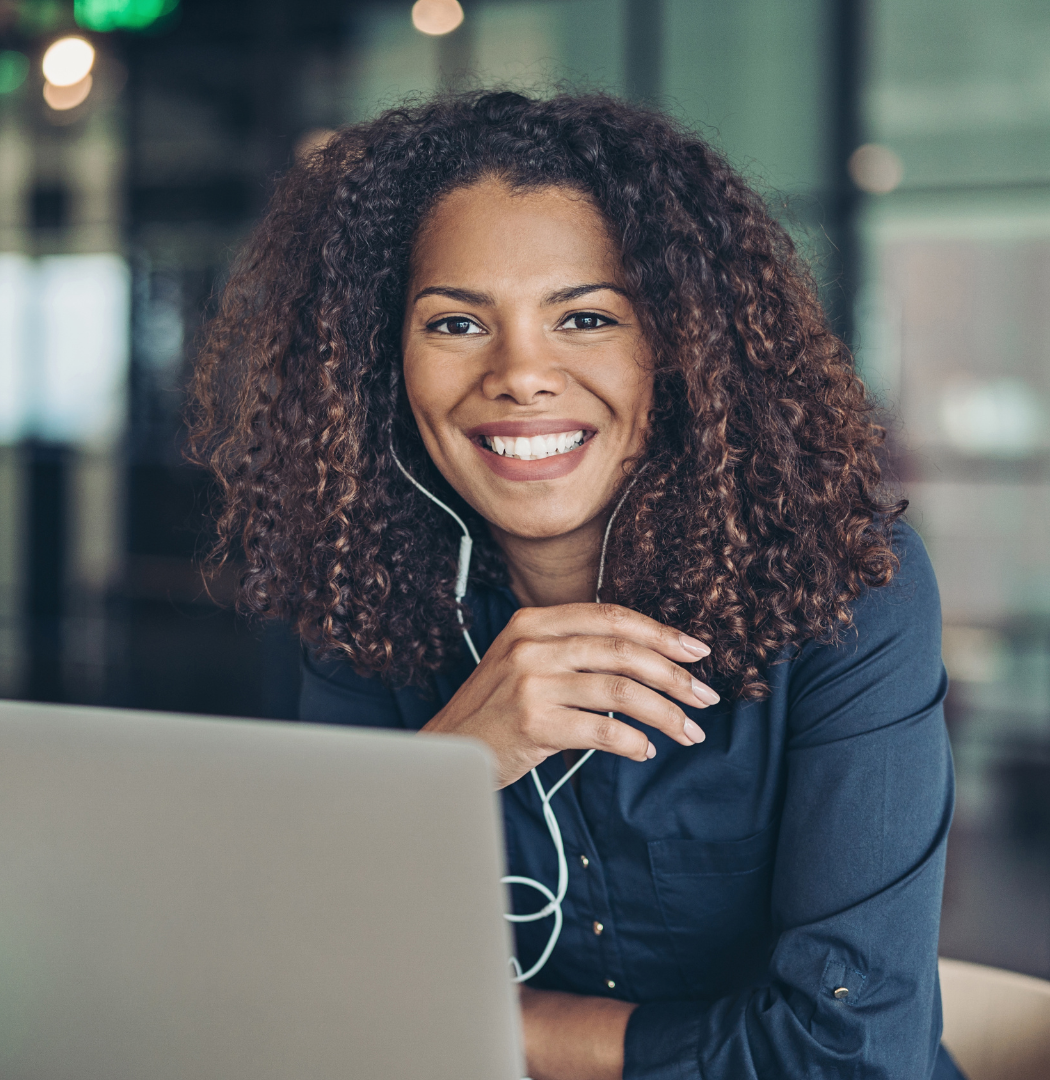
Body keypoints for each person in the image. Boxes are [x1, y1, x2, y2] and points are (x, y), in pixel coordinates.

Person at [188, 90, 959, 1080]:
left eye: (586, 317)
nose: (520, 373)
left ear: (678, 350)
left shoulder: (849, 594)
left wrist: (506, 1028)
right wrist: (448, 771)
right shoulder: (368, 595)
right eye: (457, 323)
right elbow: (298, 982)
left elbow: (852, 1057)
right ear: (385, 365)